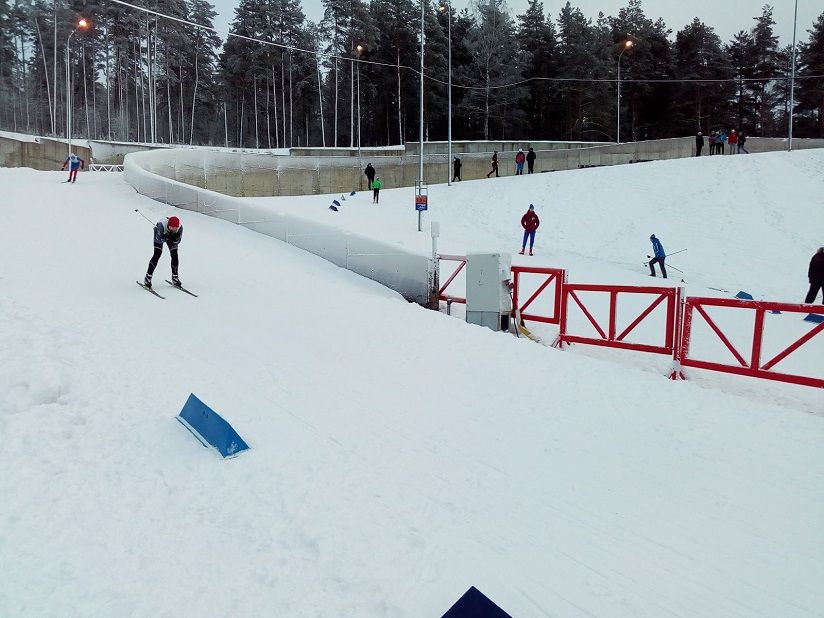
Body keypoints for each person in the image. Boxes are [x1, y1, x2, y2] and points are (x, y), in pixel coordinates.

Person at [144, 215, 183, 289]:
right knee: (157, 255)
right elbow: (158, 239)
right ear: (169, 225)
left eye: (176, 228)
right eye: (173, 227)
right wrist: (166, 237)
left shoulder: (180, 228)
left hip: (169, 236)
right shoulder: (161, 226)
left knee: (175, 255)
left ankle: (175, 277)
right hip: (160, 234)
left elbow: (178, 241)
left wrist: (173, 239)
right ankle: (147, 277)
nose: (174, 229)